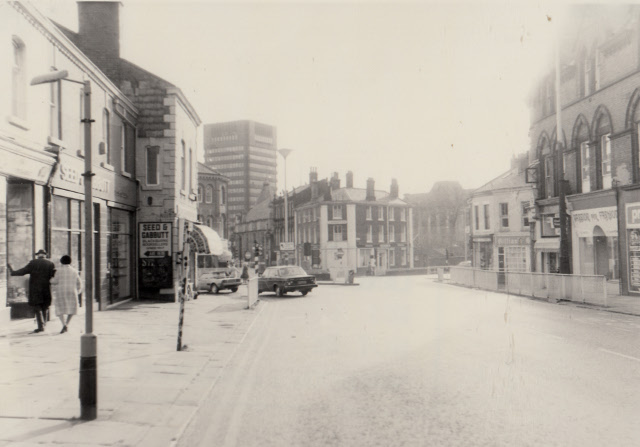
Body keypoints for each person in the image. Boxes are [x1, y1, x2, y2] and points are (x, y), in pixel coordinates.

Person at [8, 249, 56, 333]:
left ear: (38, 255)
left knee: (37, 307)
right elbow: (54, 276)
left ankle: (41, 326)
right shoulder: (50, 264)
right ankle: (44, 324)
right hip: (46, 288)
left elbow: (23, 271)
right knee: (45, 306)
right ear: (45, 255)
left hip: (35, 289)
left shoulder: (33, 263)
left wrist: (12, 271)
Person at [50, 255, 82, 334]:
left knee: (59, 309)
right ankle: (67, 324)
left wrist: (50, 279)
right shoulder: (75, 271)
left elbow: (54, 281)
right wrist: (77, 291)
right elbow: (79, 283)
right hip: (72, 291)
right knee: (72, 309)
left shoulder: (58, 271)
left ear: (61, 262)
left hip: (61, 292)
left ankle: (64, 324)